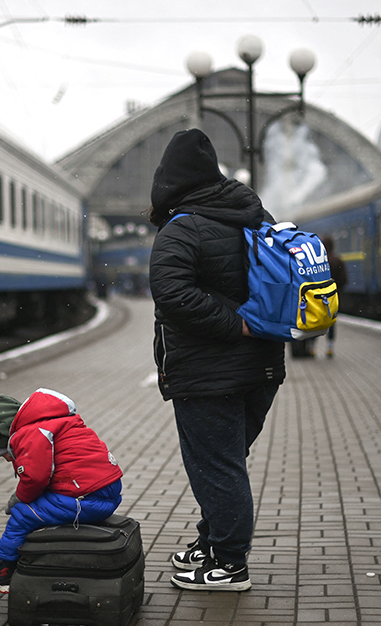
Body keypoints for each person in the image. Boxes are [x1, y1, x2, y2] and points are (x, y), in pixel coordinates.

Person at [147, 129, 286, 591]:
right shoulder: (255, 216)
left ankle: (229, 563)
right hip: (262, 369)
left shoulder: (183, 227)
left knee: (218, 467)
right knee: (225, 463)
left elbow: (171, 293)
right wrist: (248, 324)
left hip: (208, 372)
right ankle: (211, 543)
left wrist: (234, 325)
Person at [0, 389, 124, 593]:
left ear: (2, 437)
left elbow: (35, 477)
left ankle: (1, 570)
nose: (7, 459)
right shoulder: (51, 420)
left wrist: (18, 498)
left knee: (23, 514)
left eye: (4, 454)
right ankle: (13, 546)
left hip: (87, 499)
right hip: (98, 491)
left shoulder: (30, 434)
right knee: (36, 507)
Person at [321, 235, 348, 358]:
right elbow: (344, 280)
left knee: (317, 321)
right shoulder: (338, 261)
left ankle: (312, 348)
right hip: (333, 297)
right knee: (331, 322)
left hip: (319, 298)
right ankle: (330, 347)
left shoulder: (319, 261)